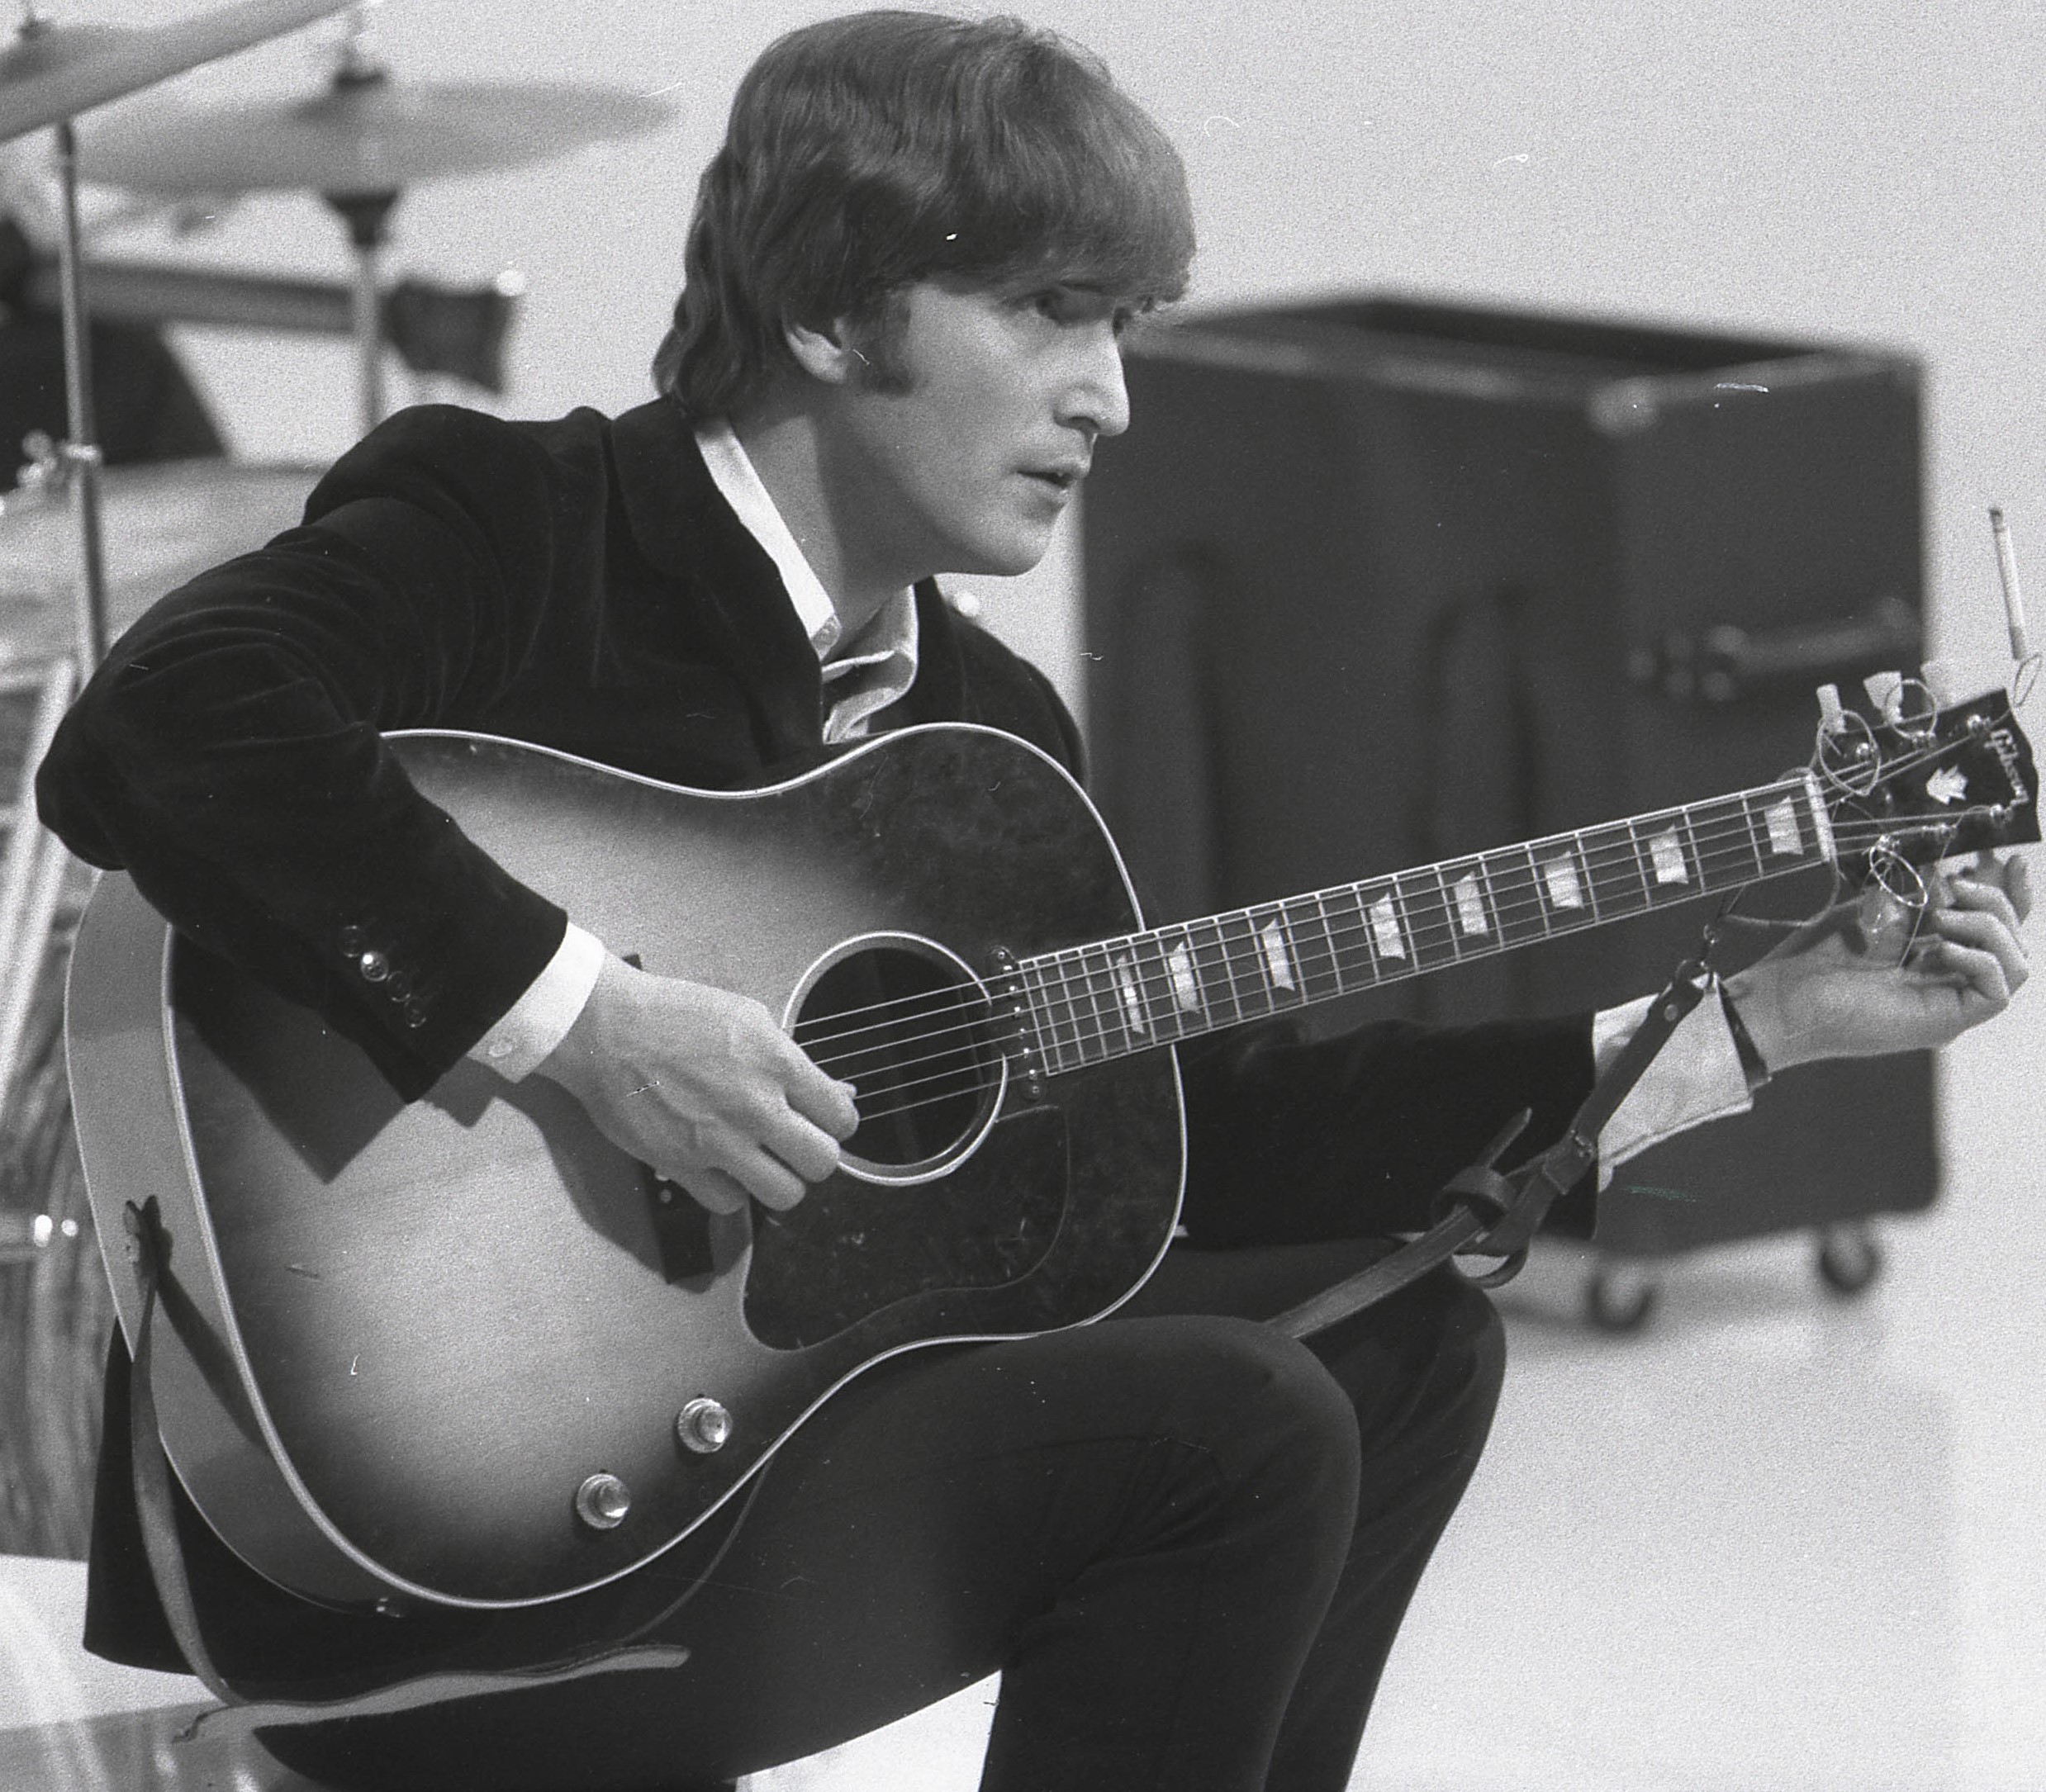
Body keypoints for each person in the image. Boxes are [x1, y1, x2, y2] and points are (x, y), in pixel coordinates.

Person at [36, 13, 2030, 1791]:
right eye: (1053, 315)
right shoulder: (523, 526)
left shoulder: (987, 735)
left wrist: (1758, 1026)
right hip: (400, 1572)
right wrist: (590, 1023)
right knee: (1228, 1423)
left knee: (1398, 1349)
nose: (1114, 400)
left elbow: (1183, 1149)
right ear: (830, 308)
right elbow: (159, 726)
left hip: (743, 1490)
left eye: (1129, 330)